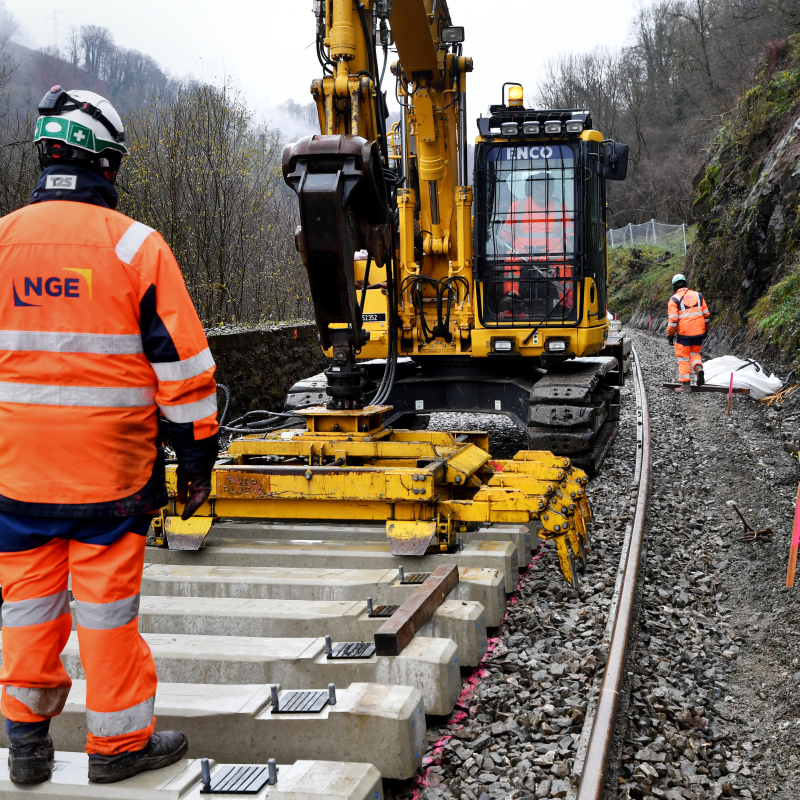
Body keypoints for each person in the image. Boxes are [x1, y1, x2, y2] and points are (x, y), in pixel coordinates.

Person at [0, 87, 219, 784]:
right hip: (111, 479)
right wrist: (196, 459)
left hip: (17, 478)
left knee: (27, 608)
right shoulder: (136, 248)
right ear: (107, 163)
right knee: (106, 615)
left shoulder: (1, 242)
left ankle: (27, 745)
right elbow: (184, 371)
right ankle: (118, 747)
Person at [497, 171, 574, 319]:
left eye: (547, 187)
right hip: (522, 254)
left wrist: (570, 244)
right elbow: (504, 236)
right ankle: (511, 301)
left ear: (552, 189)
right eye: (539, 187)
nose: (543, 190)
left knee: (564, 263)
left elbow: (570, 235)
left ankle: (567, 305)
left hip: (553, 255)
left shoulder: (561, 208)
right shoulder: (517, 207)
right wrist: (498, 242)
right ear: (531, 189)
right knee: (510, 260)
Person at [666, 273, 710, 392]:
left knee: (683, 357)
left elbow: (673, 320)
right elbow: (706, 315)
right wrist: (705, 329)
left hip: (684, 334)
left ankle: (685, 385)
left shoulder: (674, 299)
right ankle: (698, 369)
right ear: (685, 284)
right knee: (694, 353)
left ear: (674, 287)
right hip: (699, 332)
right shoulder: (698, 296)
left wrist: (669, 335)